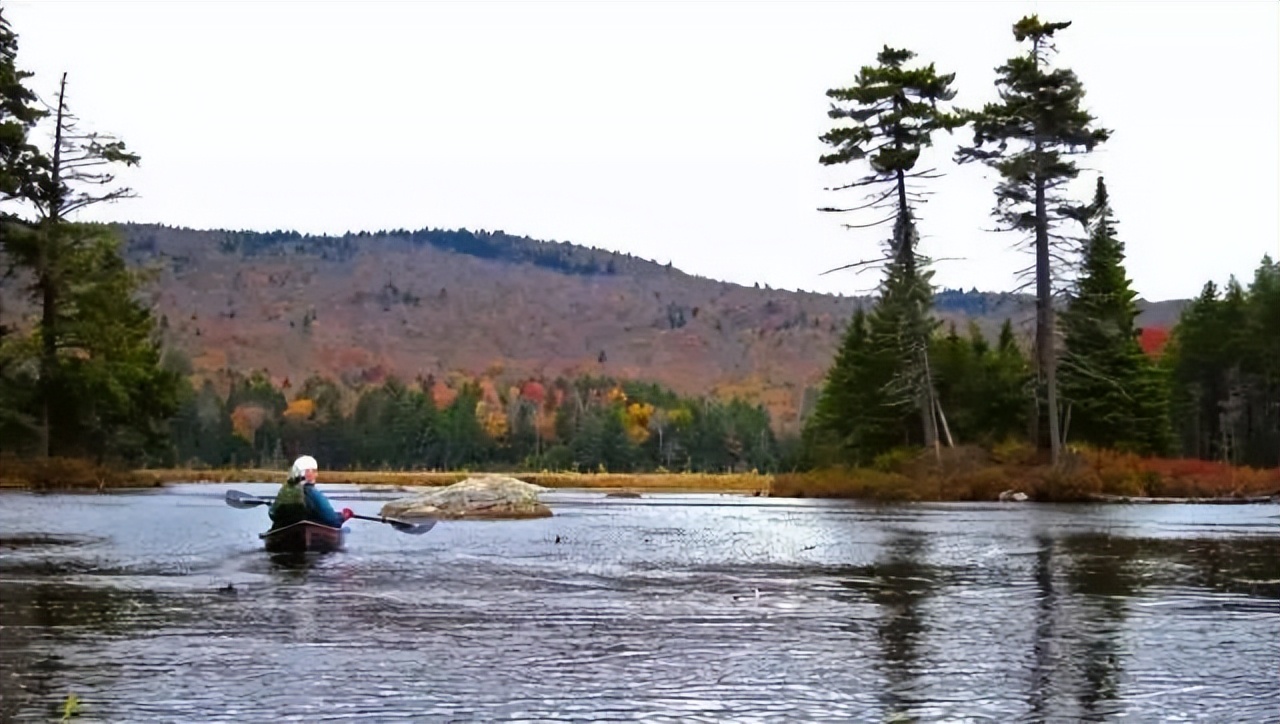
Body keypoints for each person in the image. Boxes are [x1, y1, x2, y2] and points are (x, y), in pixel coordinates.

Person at [268, 455, 352, 529]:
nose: (316, 475)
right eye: (314, 471)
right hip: (312, 528)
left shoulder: (285, 490)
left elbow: (272, 514)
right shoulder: (311, 492)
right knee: (346, 530)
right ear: (306, 472)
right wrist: (343, 517)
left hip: (283, 528)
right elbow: (332, 520)